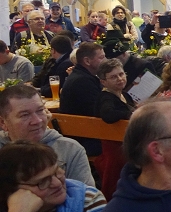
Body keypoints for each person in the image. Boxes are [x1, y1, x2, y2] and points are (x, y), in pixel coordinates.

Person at [0, 84, 95, 186]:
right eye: (25, 115)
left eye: (40, 111)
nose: (37, 120)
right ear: (3, 123)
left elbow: (87, 194)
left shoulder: (69, 150)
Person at [95, 59, 134, 201]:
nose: (120, 79)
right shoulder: (106, 97)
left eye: (121, 74)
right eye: (113, 77)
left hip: (124, 142)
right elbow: (108, 115)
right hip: (114, 149)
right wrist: (130, 114)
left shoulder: (125, 95)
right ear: (103, 82)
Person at [59, 41, 105, 157]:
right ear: (87, 61)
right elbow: (100, 112)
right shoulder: (83, 82)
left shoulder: (81, 76)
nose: (105, 61)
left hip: (82, 135)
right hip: (85, 141)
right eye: (101, 57)